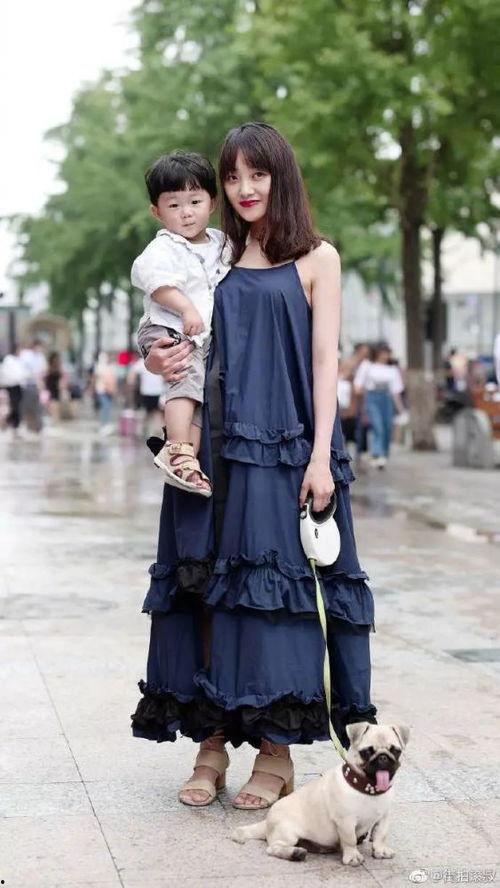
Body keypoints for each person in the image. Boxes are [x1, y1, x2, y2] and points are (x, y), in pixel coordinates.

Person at [131, 122, 377, 811]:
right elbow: (163, 318)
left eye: (257, 175)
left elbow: (325, 362)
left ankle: (276, 752)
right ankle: (211, 744)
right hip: (209, 447)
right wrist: (154, 352)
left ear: (280, 177)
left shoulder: (317, 258)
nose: (243, 189)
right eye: (232, 176)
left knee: (277, 600)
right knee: (207, 591)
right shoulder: (211, 252)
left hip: (284, 448)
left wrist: (322, 455)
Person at [131, 152, 230, 496]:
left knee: (196, 396)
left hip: (197, 336)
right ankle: (176, 447)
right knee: (185, 379)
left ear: (212, 203)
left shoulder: (221, 243)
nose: (186, 212)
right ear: (157, 212)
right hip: (167, 326)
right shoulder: (163, 248)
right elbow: (157, 285)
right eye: (174, 205)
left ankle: (188, 465)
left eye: (195, 202)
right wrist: (186, 309)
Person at [354, 343, 404, 469]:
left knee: (387, 427)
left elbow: (396, 391)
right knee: (378, 426)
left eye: (387, 353)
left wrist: (401, 409)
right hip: (372, 397)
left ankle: (384, 454)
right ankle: (377, 454)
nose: (384, 355)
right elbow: (358, 384)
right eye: (382, 353)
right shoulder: (368, 365)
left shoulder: (392, 369)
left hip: (387, 399)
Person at [19, 339, 47, 434]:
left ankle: (38, 427)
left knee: (38, 407)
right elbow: (23, 370)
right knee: (27, 406)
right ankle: (29, 426)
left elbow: (43, 371)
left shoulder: (40, 357)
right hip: (27, 384)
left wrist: (41, 383)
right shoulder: (26, 355)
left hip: (37, 385)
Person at [0, 344, 27, 436]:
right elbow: (7, 373)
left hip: (19, 385)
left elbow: (22, 373)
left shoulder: (19, 360)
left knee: (17, 406)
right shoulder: (9, 360)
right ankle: (10, 423)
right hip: (11, 386)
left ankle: (13, 425)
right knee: (14, 406)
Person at [93, 352, 118, 436]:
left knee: (107, 407)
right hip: (102, 390)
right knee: (105, 407)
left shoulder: (106, 367)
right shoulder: (100, 367)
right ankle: (104, 425)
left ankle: (106, 425)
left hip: (107, 390)